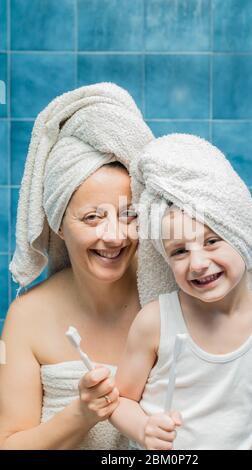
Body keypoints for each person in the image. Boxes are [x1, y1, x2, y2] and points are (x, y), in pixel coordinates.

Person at [110, 134, 252, 450]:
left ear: (241, 237)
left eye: (212, 241)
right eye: (179, 251)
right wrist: (144, 428)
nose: (197, 263)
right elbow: (121, 400)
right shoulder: (155, 321)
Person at [0, 83, 153, 449]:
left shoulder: (168, 298)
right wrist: (81, 414)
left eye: (128, 214)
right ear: (58, 224)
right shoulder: (28, 316)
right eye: (92, 217)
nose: (114, 236)